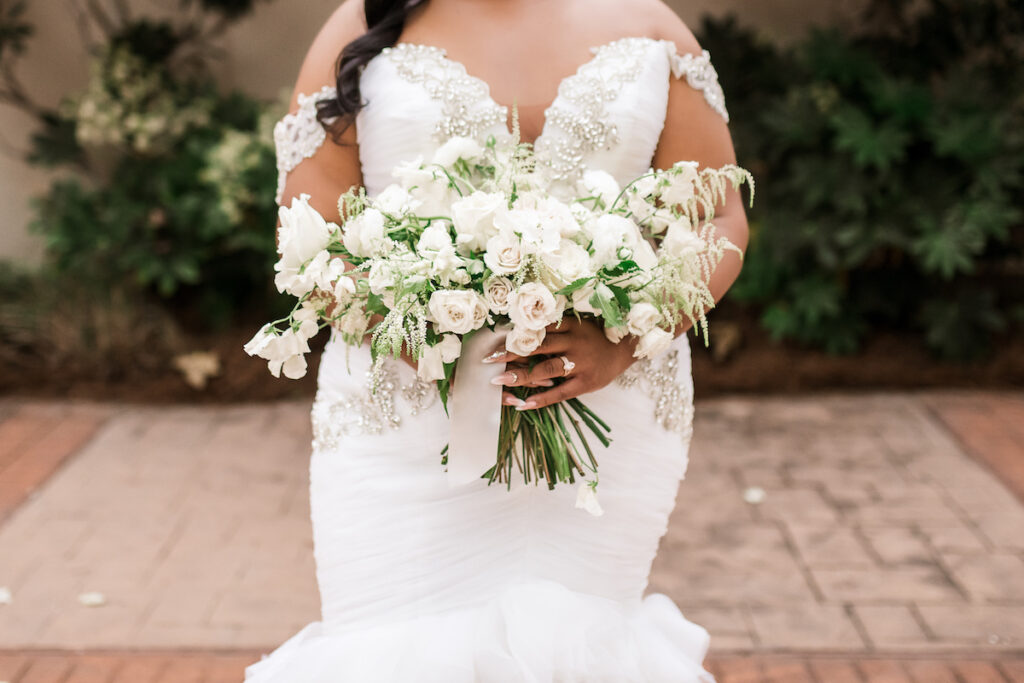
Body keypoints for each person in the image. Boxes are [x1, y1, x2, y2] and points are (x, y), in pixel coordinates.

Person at [246, 0, 748, 679]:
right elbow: (308, 231)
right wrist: (428, 336)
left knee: (585, 644)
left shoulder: (650, 25)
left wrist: (626, 339)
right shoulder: (362, 23)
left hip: (605, 416)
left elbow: (717, 212)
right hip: (406, 423)